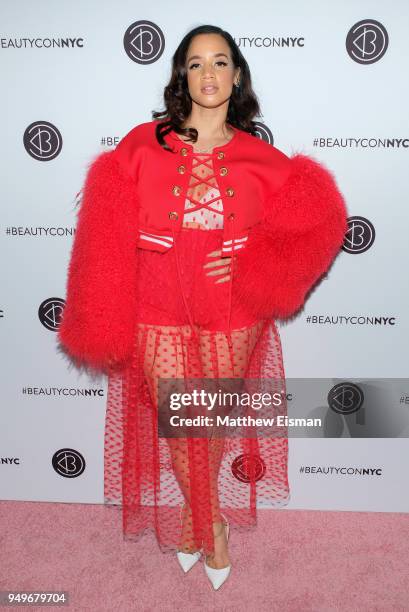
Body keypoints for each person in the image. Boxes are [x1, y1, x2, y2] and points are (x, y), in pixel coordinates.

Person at [57, 24, 348, 590]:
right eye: (195, 63)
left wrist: (252, 257)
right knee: (179, 422)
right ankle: (211, 524)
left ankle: (193, 520)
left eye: (220, 62)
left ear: (237, 75)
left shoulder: (261, 157)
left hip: (232, 304)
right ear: (181, 76)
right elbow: (102, 232)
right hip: (155, 296)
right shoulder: (142, 144)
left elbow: (323, 220)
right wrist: (145, 241)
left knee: (205, 421)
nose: (208, 74)